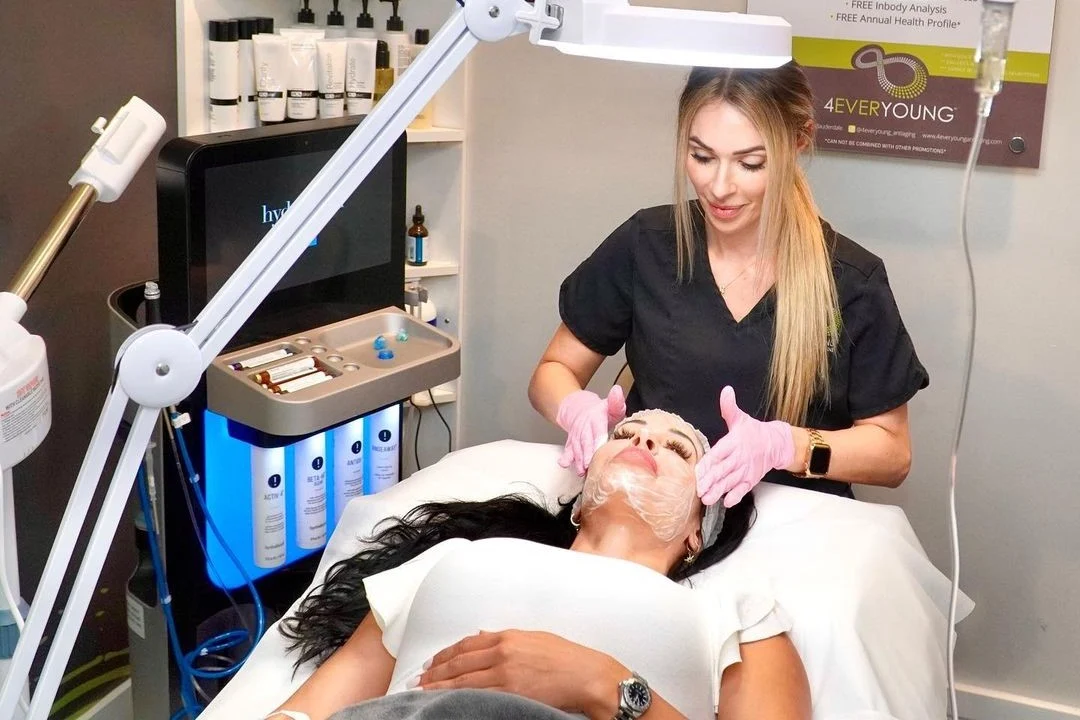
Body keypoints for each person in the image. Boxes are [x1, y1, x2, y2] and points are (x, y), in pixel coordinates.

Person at [529, 63, 929, 507]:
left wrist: (787, 446)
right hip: (658, 513)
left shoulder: (851, 282)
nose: (719, 186)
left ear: (799, 141)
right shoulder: (647, 245)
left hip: (790, 527)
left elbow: (893, 455)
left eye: (750, 162)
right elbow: (553, 372)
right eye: (701, 156)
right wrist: (575, 409)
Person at [265, 410, 810, 720]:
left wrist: (603, 684)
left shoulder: (734, 616)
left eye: (679, 449)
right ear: (578, 499)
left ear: (698, 530)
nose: (644, 438)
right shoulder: (452, 559)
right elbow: (304, 714)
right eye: (624, 432)